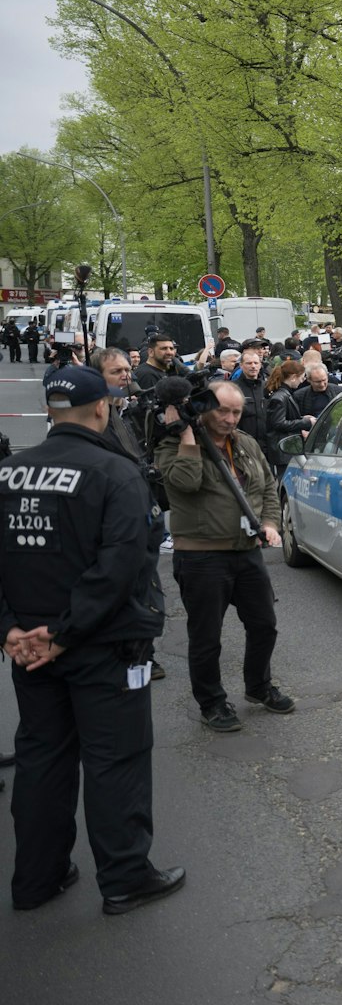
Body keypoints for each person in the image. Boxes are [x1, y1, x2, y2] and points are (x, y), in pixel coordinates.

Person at [2, 366, 185, 915]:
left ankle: (36, 878)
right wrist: (61, 634)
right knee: (115, 761)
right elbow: (121, 565)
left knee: (41, 759)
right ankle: (126, 876)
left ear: (49, 411)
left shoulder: (8, 473)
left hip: (30, 651)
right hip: (102, 647)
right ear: (102, 408)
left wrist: (13, 630)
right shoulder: (115, 473)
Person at [156, 381, 289, 733]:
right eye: (223, 411)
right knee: (206, 637)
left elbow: (266, 488)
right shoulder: (173, 445)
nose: (231, 419)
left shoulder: (244, 443)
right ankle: (212, 703)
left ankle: (259, 687)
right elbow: (185, 482)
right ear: (203, 409)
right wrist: (186, 436)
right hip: (201, 558)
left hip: (246, 554)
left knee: (264, 625)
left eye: (237, 412)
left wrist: (271, 523)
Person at [263, 359, 314, 482]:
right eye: (302, 377)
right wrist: (306, 422)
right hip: (284, 448)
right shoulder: (280, 398)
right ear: (293, 377)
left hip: (288, 446)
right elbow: (279, 423)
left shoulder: (282, 395)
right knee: (286, 481)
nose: (303, 381)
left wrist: (302, 419)